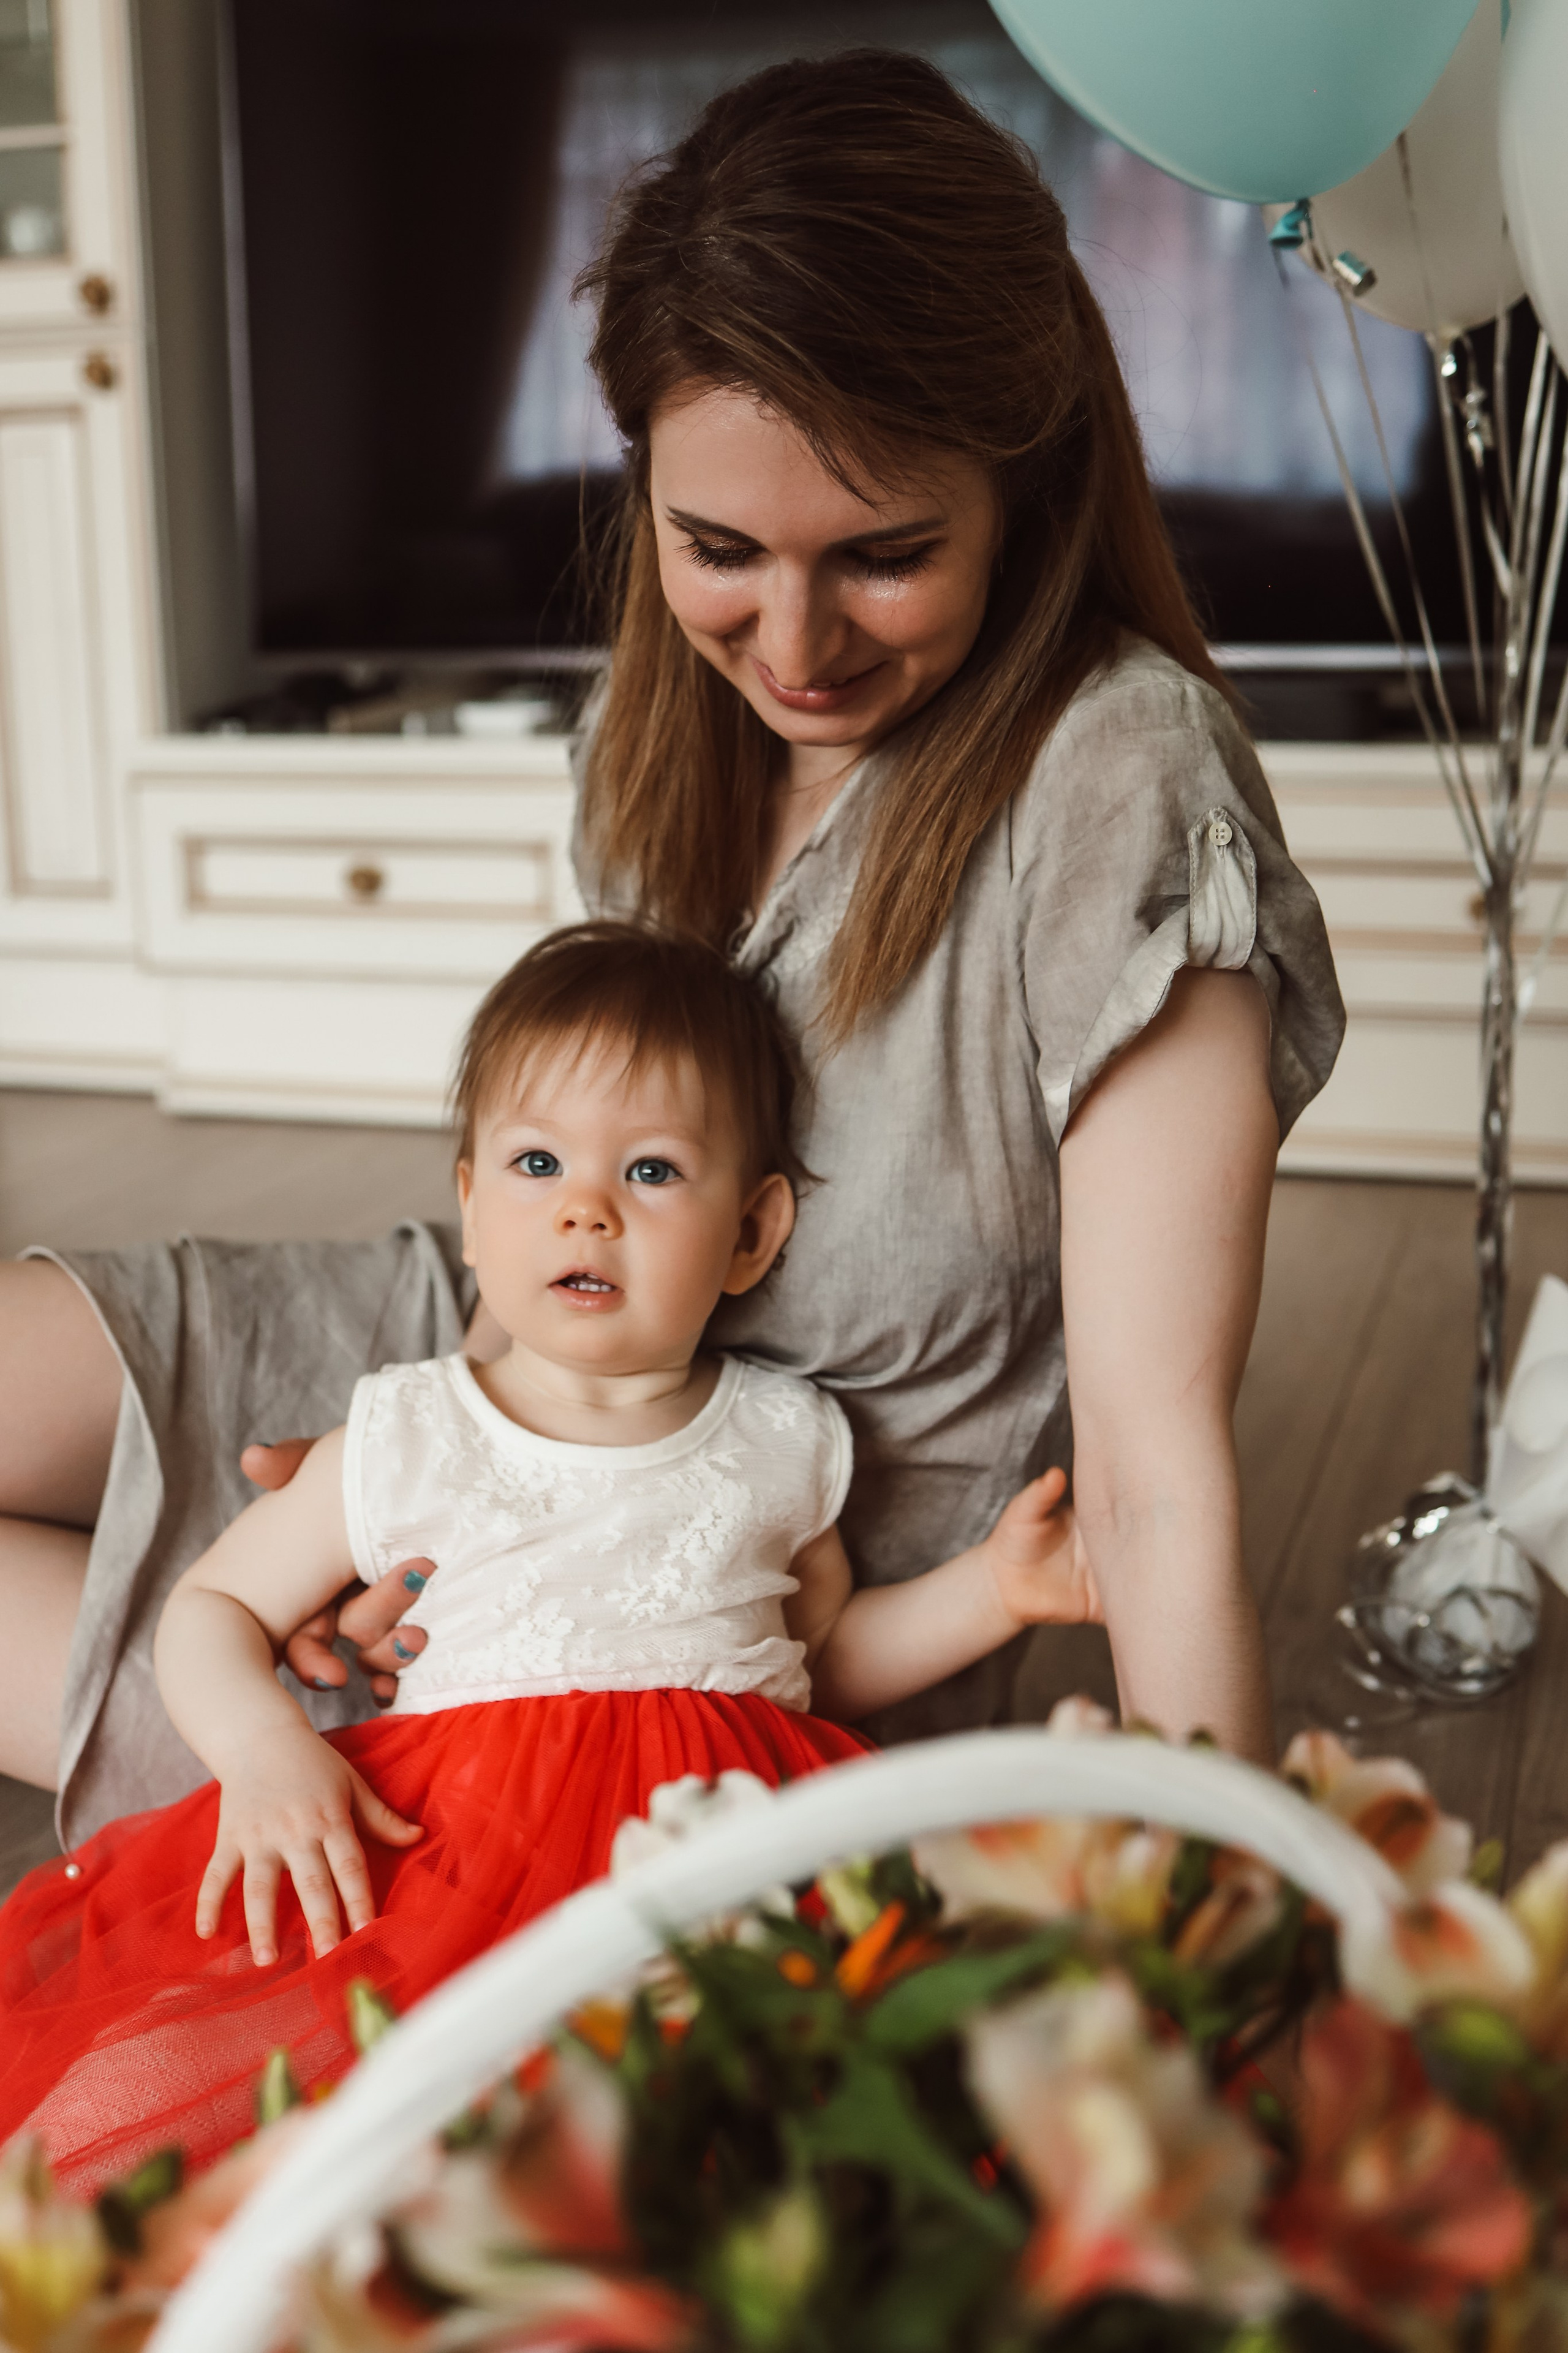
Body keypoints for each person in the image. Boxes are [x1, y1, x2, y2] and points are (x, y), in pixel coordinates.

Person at [0, 49, 1343, 1849]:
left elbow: (1159, 1479)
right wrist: (414, 1482)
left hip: (696, 1618)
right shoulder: (661, 730)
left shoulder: (1124, 785)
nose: (793, 646)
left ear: (1027, 483)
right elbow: (568, 1164)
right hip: (484, 1356)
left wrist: (1233, 1939)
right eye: (718, 548)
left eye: (884, 556)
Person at [0, 924, 1101, 2192]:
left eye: (648, 1172)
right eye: (537, 1164)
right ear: (471, 1208)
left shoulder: (784, 1435)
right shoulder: (405, 1428)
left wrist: (992, 1592)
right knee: (235, 2116)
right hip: (452, 1859)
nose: (585, 1206)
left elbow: (826, 1658)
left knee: (803, 2134)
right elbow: (214, 1609)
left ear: (751, 1234)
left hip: (732, 1862)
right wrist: (265, 1753)